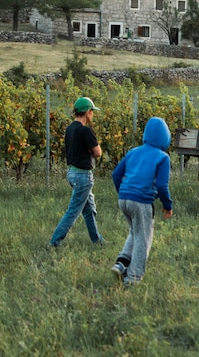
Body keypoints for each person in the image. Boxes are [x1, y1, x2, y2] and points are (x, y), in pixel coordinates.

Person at [111, 117, 173, 287]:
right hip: (142, 201)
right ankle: (133, 278)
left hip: (123, 198)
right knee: (143, 238)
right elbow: (161, 185)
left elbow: (116, 174)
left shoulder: (133, 152)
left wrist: (124, 192)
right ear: (165, 138)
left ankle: (121, 263)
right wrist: (168, 206)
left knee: (135, 230)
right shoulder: (163, 157)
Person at [49, 97, 105, 247]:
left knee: (89, 209)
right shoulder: (86, 130)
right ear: (87, 112)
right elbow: (98, 152)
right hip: (83, 176)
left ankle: (97, 240)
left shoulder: (70, 129)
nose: (92, 115)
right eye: (92, 111)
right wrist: (90, 150)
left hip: (72, 172)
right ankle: (54, 242)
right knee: (73, 211)